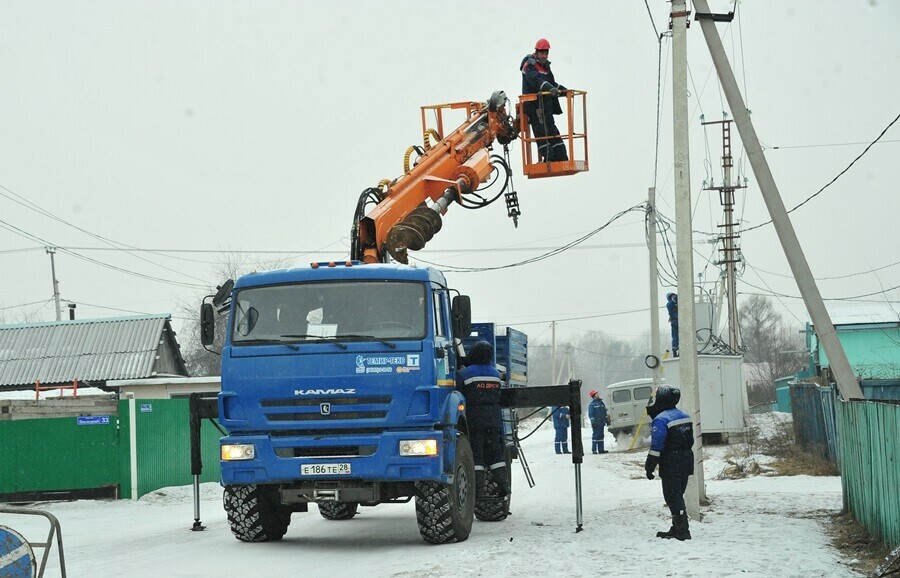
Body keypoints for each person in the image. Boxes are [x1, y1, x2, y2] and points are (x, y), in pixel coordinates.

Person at [456, 341, 509, 497]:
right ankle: (503, 484)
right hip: (493, 419)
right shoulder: (495, 374)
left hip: (475, 419)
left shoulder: (466, 374)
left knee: (477, 453)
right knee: (495, 453)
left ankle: (477, 489)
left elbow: (457, 392)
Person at [644, 385, 694, 541]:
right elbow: (690, 440)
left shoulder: (661, 419)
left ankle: (682, 530)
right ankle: (677, 527)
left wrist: (649, 466)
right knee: (678, 494)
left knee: (672, 496)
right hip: (686, 459)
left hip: (671, 462)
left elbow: (657, 445)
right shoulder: (684, 415)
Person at [520, 38, 569, 163]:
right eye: (542, 52)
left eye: (546, 53)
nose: (544, 55)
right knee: (541, 132)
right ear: (536, 52)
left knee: (551, 130)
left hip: (546, 106)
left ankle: (561, 157)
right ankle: (549, 159)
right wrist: (549, 88)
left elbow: (550, 83)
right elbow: (536, 81)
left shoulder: (545, 67)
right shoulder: (529, 65)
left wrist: (561, 89)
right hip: (534, 106)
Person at [587, 390, 610, 454]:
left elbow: (604, 412)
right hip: (596, 423)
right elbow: (591, 414)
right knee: (595, 436)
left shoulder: (601, 403)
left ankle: (601, 449)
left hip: (602, 422)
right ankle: (594, 450)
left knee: (601, 436)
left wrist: (606, 420)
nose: (598, 394)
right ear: (594, 396)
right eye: (596, 394)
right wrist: (593, 422)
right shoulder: (592, 405)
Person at [666, 293, 679, 357]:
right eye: (672, 296)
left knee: (677, 336)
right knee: (675, 335)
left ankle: (677, 348)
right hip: (675, 321)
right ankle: (675, 349)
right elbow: (673, 301)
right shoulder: (670, 303)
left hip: (677, 321)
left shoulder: (677, 302)